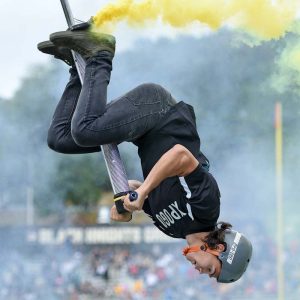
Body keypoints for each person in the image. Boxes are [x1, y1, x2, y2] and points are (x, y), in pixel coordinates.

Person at [37, 22, 252, 283]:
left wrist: (125, 199)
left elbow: (141, 189)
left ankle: (76, 63)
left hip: (142, 131)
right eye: (210, 269)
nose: (200, 271)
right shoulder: (207, 209)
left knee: (60, 139)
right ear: (218, 249)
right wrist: (143, 192)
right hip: (158, 111)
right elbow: (180, 156)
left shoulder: (173, 230)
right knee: (84, 130)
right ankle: (100, 53)